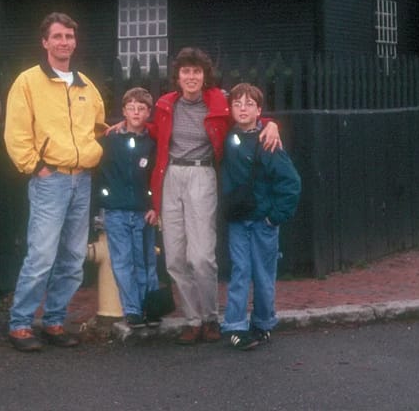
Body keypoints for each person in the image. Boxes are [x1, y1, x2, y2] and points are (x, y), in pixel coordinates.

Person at [150, 47, 280, 345]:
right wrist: (124, 126)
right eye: (186, 71)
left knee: (201, 257)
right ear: (178, 76)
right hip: (171, 177)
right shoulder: (166, 104)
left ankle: (210, 316)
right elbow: (152, 131)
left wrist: (272, 123)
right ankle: (192, 320)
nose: (191, 77)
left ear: (204, 75)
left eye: (197, 71)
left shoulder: (218, 101)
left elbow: (247, 113)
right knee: (175, 257)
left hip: (202, 175)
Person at [3, 12, 106, 352]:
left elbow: (98, 128)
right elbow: (17, 132)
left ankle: (54, 321)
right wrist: (36, 167)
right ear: (45, 42)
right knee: (42, 255)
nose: (64, 42)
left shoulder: (86, 86)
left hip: (82, 181)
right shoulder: (28, 82)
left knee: (74, 257)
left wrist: (98, 149)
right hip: (51, 181)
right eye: (58, 36)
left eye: (69, 37)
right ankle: (20, 324)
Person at [220, 83, 301, 350]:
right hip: (238, 220)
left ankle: (264, 322)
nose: (243, 108)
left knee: (264, 275)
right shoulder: (227, 136)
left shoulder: (269, 141)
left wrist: (275, 217)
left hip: (263, 222)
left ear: (259, 110)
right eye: (237, 103)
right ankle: (235, 326)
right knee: (240, 272)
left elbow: (291, 183)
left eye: (249, 104)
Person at [97, 87, 160, 329]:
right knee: (122, 261)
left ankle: (149, 306)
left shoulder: (151, 143)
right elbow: (99, 173)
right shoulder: (109, 139)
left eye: (141, 108)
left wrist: (154, 205)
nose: (136, 112)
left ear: (148, 112)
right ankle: (132, 309)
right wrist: (104, 200)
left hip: (143, 210)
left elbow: (155, 176)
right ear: (123, 111)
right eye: (131, 108)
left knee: (145, 260)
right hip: (116, 210)